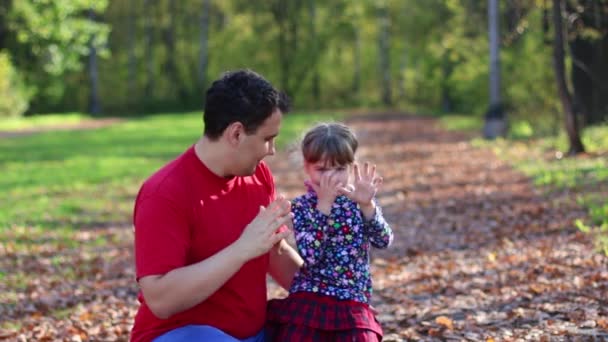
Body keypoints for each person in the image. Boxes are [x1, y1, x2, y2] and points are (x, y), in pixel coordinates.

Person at [130, 69, 304, 342]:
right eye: (267, 139)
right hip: (181, 335)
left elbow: (274, 253)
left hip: (254, 332)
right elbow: (161, 300)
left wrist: (334, 295)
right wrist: (242, 249)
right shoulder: (164, 193)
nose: (272, 150)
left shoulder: (258, 176)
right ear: (236, 134)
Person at [266, 122, 394, 341]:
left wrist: (367, 206)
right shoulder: (303, 207)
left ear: (352, 166)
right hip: (312, 295)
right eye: (322, 169)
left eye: (339, 169)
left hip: (352, 298)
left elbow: (383, 240)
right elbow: (311, 256)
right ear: (306, 167)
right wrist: (323, 206)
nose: (331, 177)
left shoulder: (359, 202)